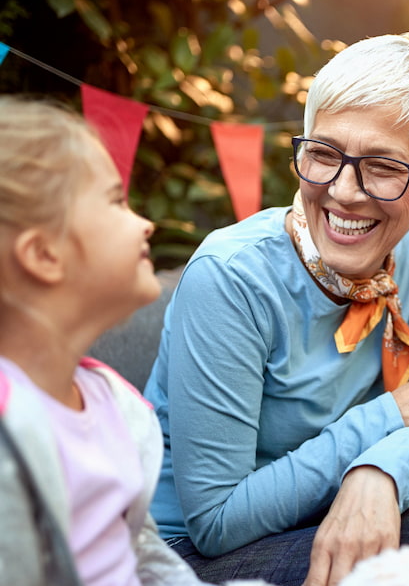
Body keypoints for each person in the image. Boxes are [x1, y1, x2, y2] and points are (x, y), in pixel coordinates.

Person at [143, 33, 409, 586]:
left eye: (383, 167)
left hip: (318, 503)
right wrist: (390, 417)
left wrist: (379, 473)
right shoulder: (232, 278)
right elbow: (214, 520)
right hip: (193, 552)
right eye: (324, 154)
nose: (343, 192)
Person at [0, 97, 266, 586]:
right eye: (116, 202)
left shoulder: (111, 402)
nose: (145, 223)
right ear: (43, 255)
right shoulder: (9, 437)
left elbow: (144, 559)